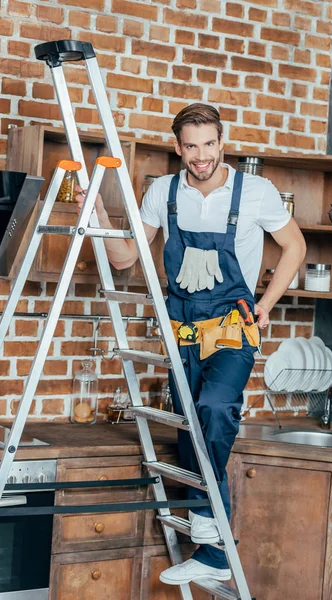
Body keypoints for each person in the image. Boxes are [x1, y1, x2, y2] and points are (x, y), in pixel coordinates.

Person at [76, 103, 306, 586]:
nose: (201, 156)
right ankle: (212, 547)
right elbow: (124, 260)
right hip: (182, 333)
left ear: (222, 142)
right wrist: (94, 210)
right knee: (187, 431)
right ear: (178, 147)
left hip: (232, 328)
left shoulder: (256, 192)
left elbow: (296, 247)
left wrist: (265, 304)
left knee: (216, 408)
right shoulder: (163, 191)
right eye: (190, 146)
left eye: (209, 144)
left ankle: (208, 528)